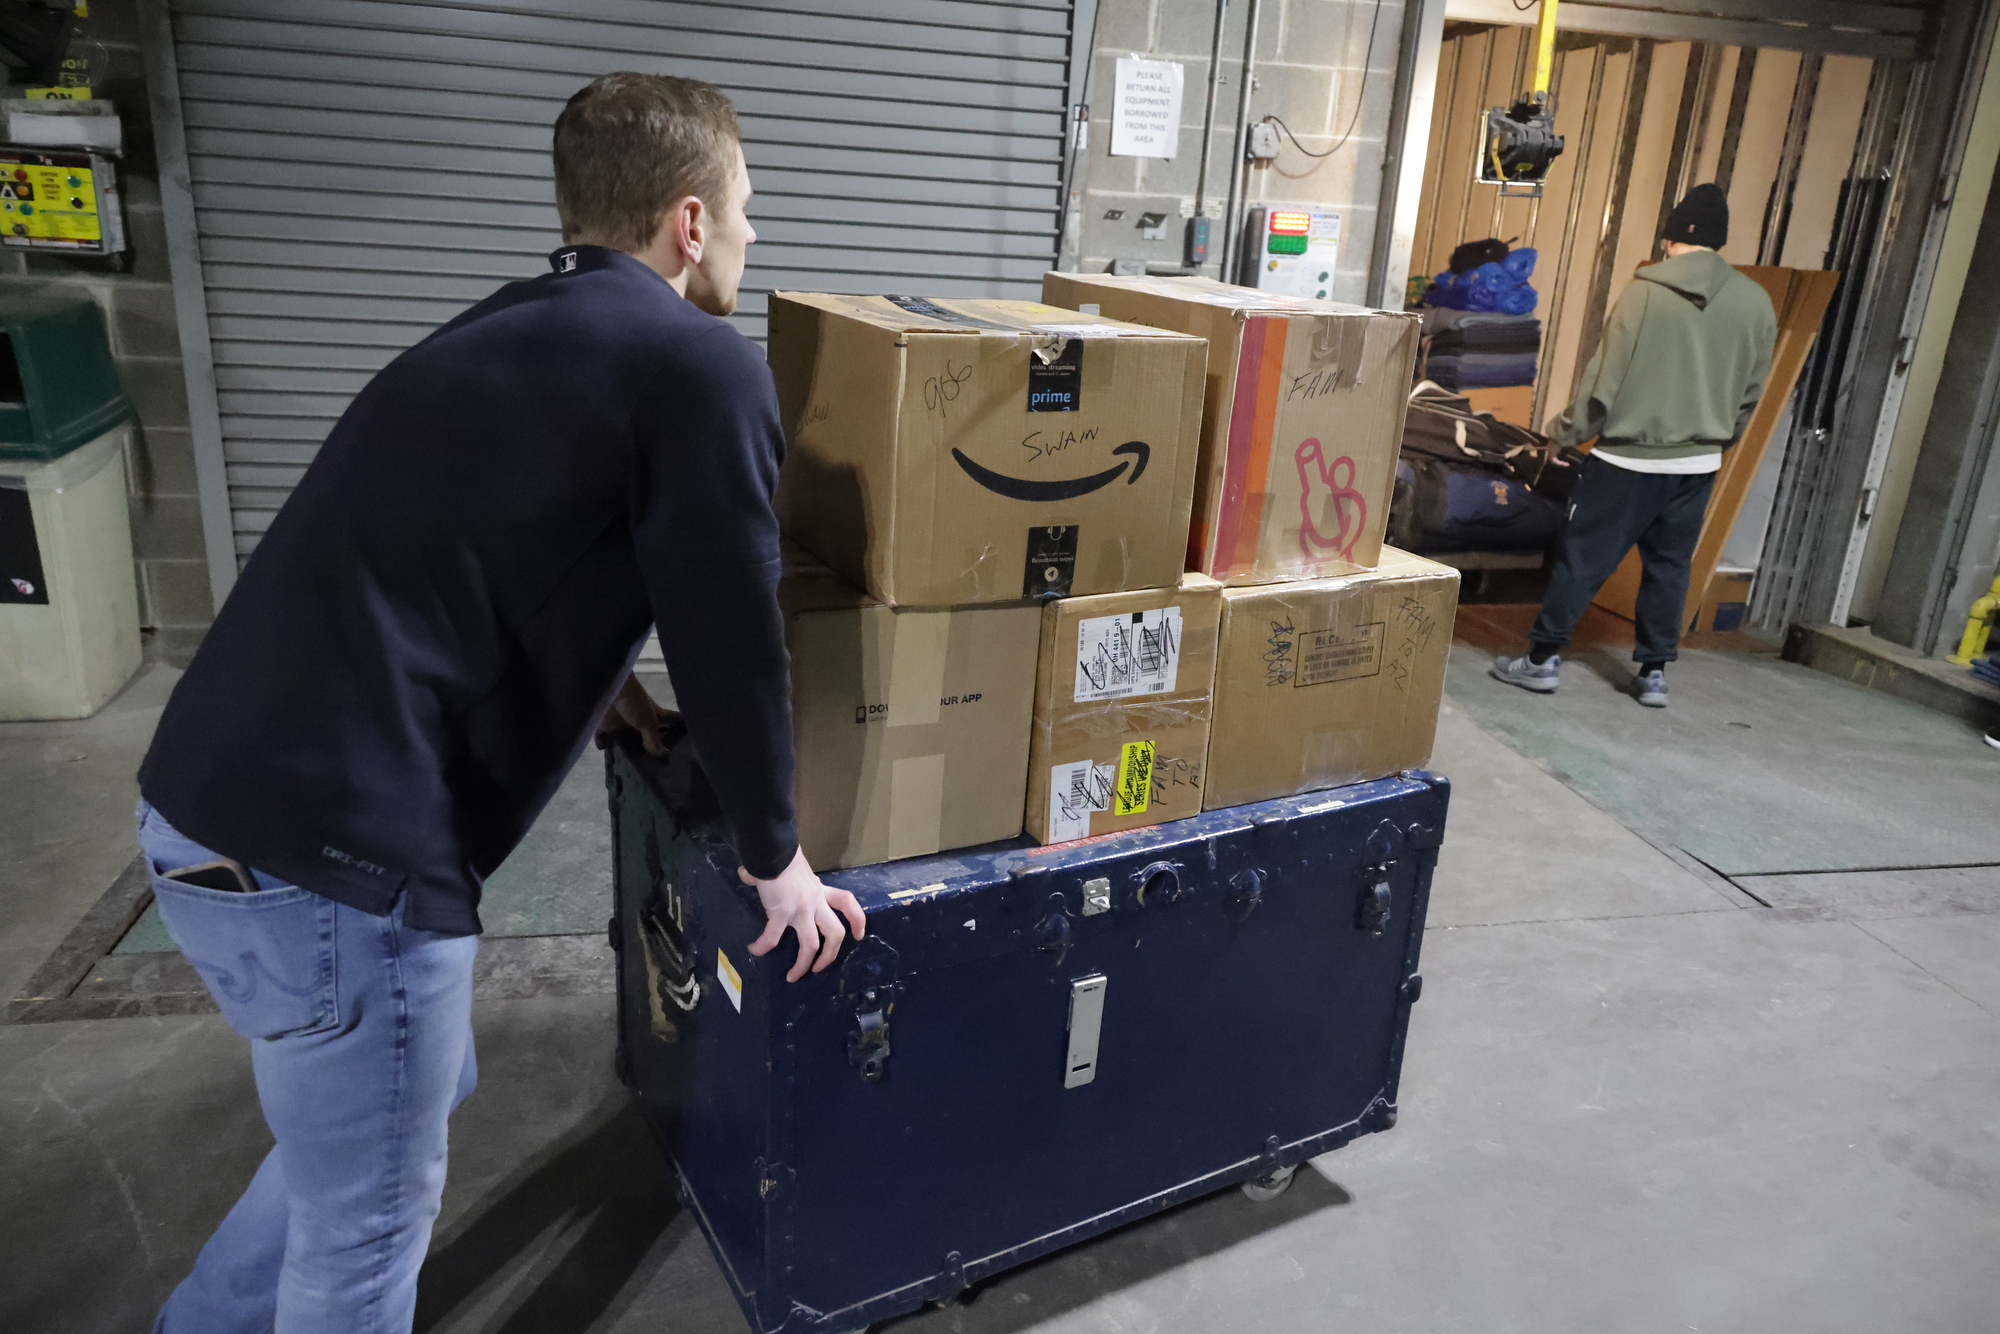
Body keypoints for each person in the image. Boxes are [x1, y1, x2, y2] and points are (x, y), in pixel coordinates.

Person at [133, 73, 864, 1334]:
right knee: (366, 1232)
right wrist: (775, 854)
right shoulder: (697, 363)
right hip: (331, 862)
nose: (752, 236)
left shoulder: (506, 327)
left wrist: (606, 690)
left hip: (199, 810)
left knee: (374, 1123)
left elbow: (464, 540)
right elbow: (729, 629)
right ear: (690, 223)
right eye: (746, 209)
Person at [1491, 183, 1776, 708]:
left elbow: (1604, 383)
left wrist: (1563, 432)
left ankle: (1542, 660)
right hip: (1697, 464)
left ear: (1670, 239)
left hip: (1627, 458)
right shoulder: (1756, 302)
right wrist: (1718, 437)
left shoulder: (1644, 294)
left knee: (1583, 557)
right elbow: (1751, 392)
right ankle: (1653, 674)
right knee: (1670, 567)